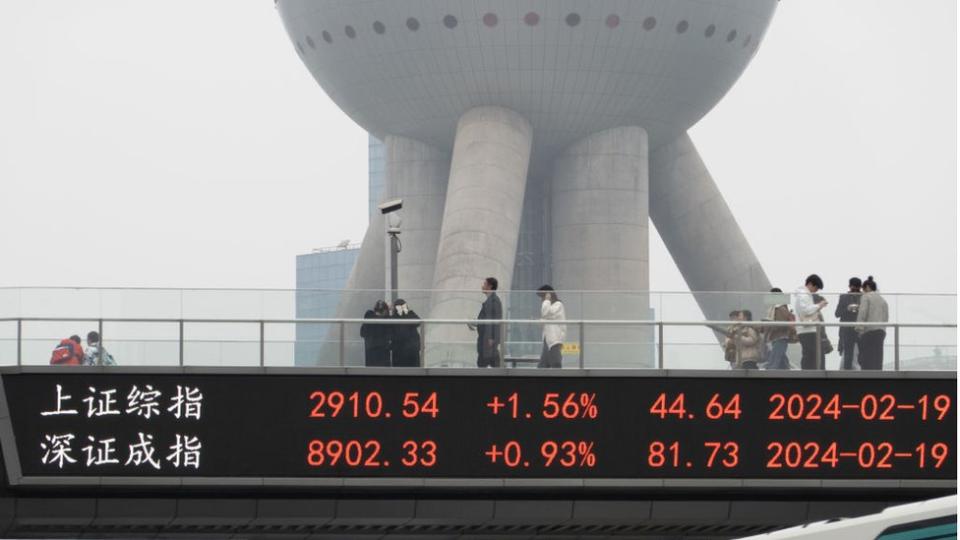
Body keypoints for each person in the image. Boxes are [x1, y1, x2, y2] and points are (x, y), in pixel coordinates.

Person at [793, 274, 828, 370]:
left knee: (810, 354)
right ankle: (811, 374)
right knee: (813, 354)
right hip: (807, 330)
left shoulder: (804, 295)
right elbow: (806, 310)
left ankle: (808, 373)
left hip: (807, 329)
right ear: (810, 284)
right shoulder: (803, 295)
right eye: (816, 288)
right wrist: (819, 305)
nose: (816, 291)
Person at [856, 276, 889, 370]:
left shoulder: (866, 297)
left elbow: (863, 312)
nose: (862, 291)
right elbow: (886, 317)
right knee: (878, 356)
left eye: (863, 289)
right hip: (881, 331)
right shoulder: (883, 300)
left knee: (867, 358)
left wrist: (859, 329)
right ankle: (878, 376)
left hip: (869, 330)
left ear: (867, 287)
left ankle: (867, 378)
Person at [470, 277, 503, 368]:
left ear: (490, 286)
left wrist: (492, 338)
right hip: (485, 339)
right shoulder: (490, 301)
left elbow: (496, 320)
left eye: (484, 284)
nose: (482, 286)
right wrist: (474, 323)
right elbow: (485, 319)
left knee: (486, 362)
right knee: (487, 362)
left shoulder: (494, 301)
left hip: (488, 340)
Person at [763, 288, 794, 370]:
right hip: (776, 337)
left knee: (774, 360)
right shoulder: (775, 308)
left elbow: (783, 324)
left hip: (780, 337)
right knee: (781, 359)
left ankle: (769, 375)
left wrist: (770, 324)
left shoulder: (779, 308)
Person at [835, 277, 862, 370]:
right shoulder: (843, 297)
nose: (855, 291)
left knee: (862, 353)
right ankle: (847, 374)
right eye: (853, 289)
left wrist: (860, 309)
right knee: (848, 353)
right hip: (847, 329)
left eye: (857, 289)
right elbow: (837, 314)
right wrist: (847, 308)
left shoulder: (864, 298)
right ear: (849, 287)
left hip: (860, 328)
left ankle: (862, 373)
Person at [536, 285, 566, 369]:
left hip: (554, 339)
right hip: (548, 339)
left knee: (555, 363)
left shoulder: (558, 305)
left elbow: (546, 313)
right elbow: (546, 317)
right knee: (543, 364)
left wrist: (547, 300)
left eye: (542, 296)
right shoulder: (550, 305)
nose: (541, 299)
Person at [390, 299, 421, 368]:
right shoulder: (410, 315)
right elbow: (418, 322)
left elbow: (418, 322)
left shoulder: (394, 318)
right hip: (411, 351)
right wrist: (406, 312)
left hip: (400, 351)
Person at [360, 300, 392, 367]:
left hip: (371, 351)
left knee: (371, 373)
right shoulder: (386, 320)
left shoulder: (369, 316)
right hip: (382, 352)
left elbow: (362, 333)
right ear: (385, 311)